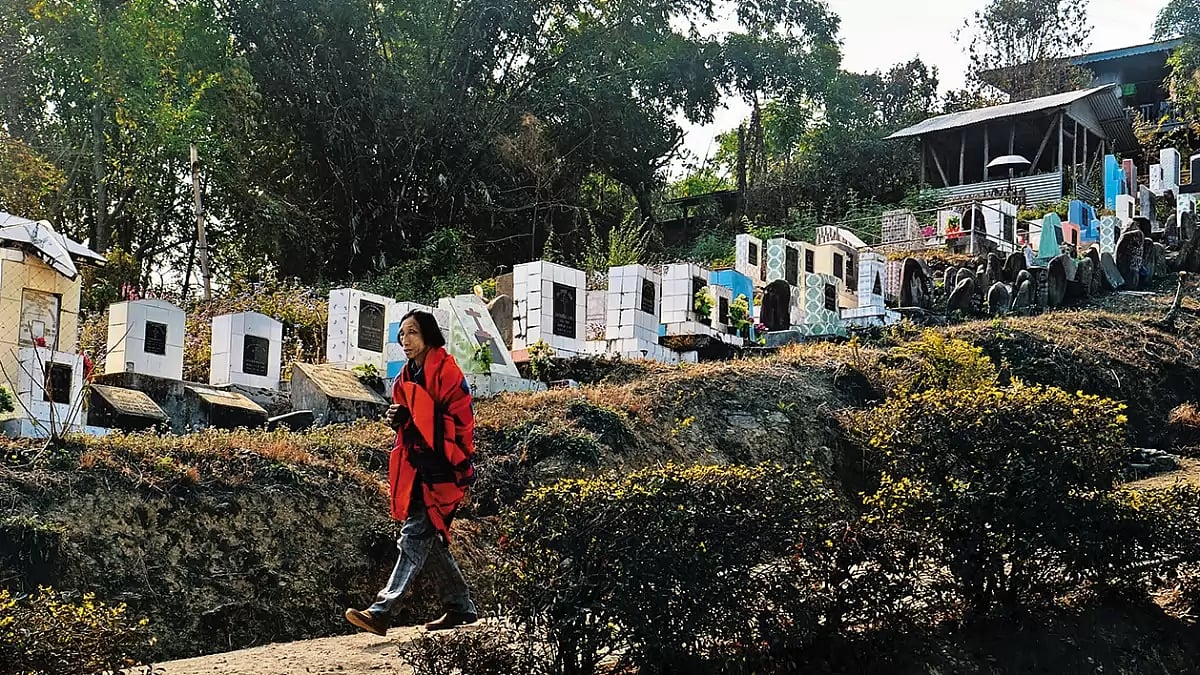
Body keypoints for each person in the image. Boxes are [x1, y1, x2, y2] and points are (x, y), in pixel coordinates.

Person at [344, 310, 479, 635]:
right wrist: (401, 419)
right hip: (417, 465)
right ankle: (459, 607)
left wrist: (417, 416)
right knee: (427, 538)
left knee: (414, 535)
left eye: (412, 333)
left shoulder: (448, 373)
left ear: (429, 336)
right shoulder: (405, 377)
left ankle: (382, 610)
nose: (405, 341)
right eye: (402, 334)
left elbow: (459, 423)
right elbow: (411, 424)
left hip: (445, 466)